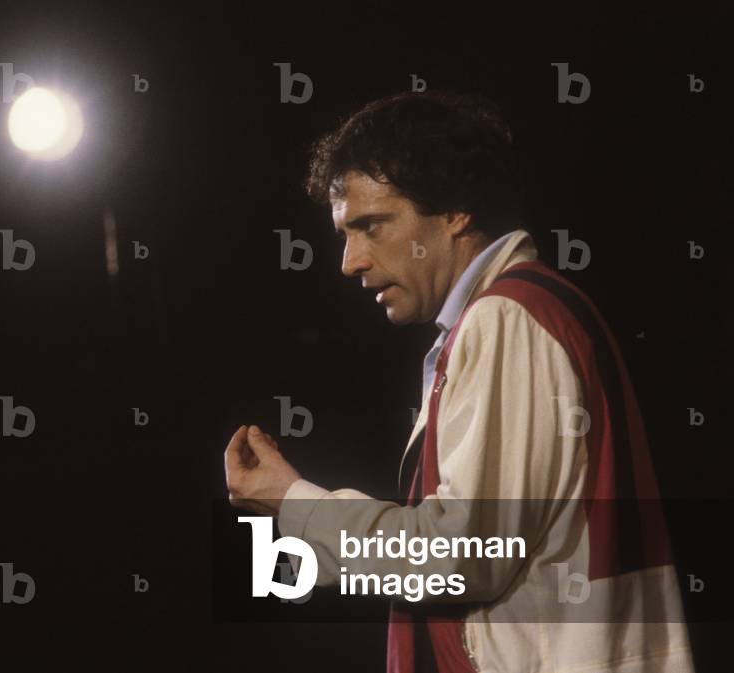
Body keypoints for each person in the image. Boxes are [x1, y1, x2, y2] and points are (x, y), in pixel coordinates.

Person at [223, 90, 694, 673]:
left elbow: (460, 556)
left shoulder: (509, 316)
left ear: (456, 211)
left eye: (371, 226)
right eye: (347, 233)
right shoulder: (532, 309)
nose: (350, 261)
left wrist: (291, 504)